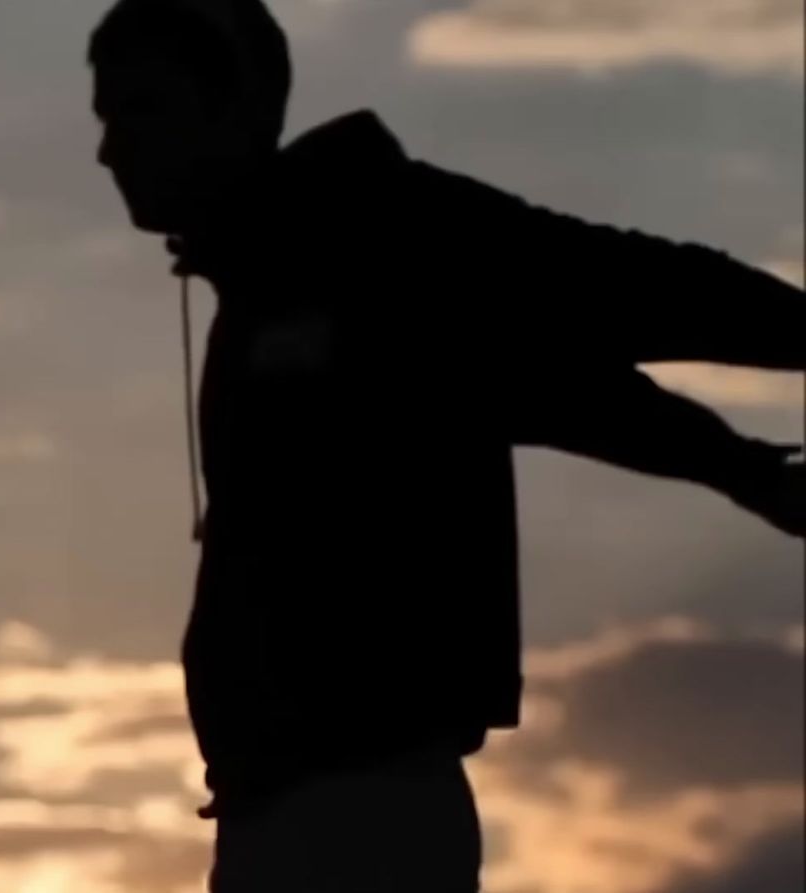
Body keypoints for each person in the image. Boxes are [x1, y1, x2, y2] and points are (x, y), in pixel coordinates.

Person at [84, 0, 806, 889]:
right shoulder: (270, 280)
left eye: (138, 112)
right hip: (281, 815)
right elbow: (553, 382)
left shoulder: (383, 230)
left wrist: (736, 460)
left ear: (233, 105)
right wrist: (732, 462)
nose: (110, 151)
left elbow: (621, 290)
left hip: (362, 816)